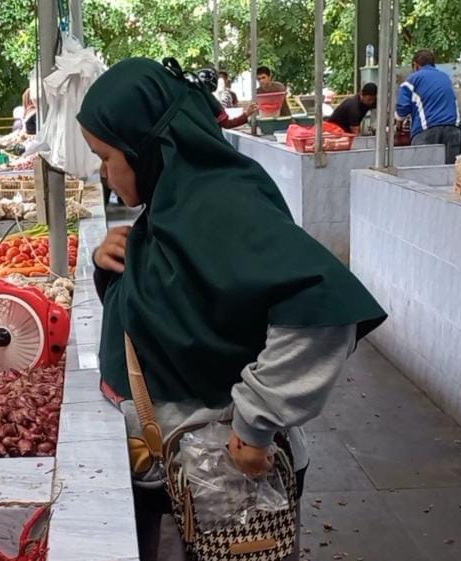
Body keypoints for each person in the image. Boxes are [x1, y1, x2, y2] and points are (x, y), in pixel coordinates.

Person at [77, 58, 387, 561]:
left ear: (147, 147)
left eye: (105, 156)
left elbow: (323, 307)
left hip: (223, 470)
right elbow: (179, 302)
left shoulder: (220, 205)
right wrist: (118, 258)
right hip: (184, 462)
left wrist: (254, 423)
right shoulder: (177, 201)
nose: (104, 175)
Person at [397, 49, 461, 164]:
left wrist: (397, 120)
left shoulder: (412, 80)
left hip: (427, 130)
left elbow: (401, 112)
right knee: (449, 174)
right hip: (453, 130)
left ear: (415, 65)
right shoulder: (445, 77)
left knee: (423, 174)